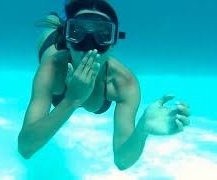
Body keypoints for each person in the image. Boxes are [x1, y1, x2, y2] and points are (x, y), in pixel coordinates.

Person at [18, 0, 191, 170]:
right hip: (53, 48)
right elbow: (25, 148)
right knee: (49, 32)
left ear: (113, 43)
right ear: (68, 39)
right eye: (77, 32)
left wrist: (142, 130)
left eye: (103, 35)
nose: (89, 45)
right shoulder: (51, 68)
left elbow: (122, 162)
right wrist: (72, 99)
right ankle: (58, 19)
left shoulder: (124, 83)